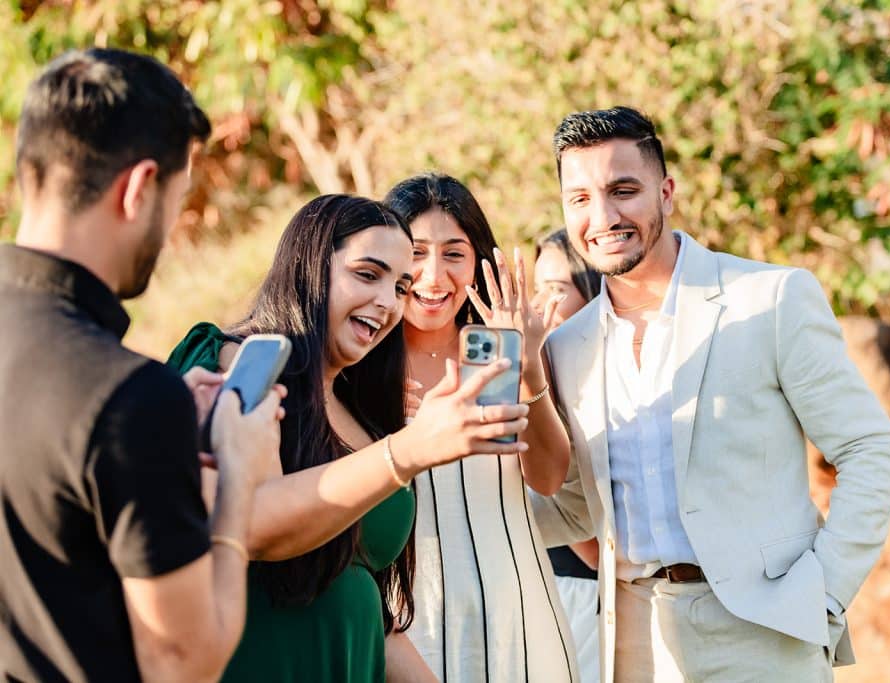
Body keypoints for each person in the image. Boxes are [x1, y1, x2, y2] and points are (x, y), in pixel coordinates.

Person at [531, 107, 890, 682]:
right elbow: (583, 505)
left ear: (667, 190)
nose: (601, 216)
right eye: (578, 198)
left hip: (765, 631)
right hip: (632, 643)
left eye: (622, 190)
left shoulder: (771, 297)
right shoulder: (564, 346)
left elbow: (871, 450)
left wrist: (823, 592)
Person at [0, 48, 285, 683]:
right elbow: (186, 664)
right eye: (178, 199)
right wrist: (238, 475)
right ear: (137, 190)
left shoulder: (133, 403)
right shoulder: (127, 398)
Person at [167, 193, 529, 682]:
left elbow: (369, 609)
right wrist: (411, 449)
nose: (387, 302)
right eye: (367, 274)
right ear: (310, 266)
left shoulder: (363, 410)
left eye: (400, 287)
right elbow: (250, 525)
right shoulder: (229, 363)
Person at [384, 173, 578, 682]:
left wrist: (527, 364)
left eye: (454, 253)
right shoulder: (359, 366)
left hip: (516, 605)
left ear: (478, 262)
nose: (433, 276)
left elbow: (550, 477)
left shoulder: (497, 349)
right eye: (415, 252)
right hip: (406, 619)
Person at [532, 228, 603, 683]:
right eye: (536, 289)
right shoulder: (535, 375)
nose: (540, 306)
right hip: (539, 595)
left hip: (587, 600)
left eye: (556, 290)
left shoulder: (595, 392)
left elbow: (599, 553)